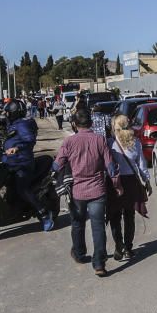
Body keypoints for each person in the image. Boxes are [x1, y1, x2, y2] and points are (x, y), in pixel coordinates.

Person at [53, 108, 117, 276]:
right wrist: (117, 184)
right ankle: (99, 264)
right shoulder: (100, 140)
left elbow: (57, 165)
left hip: (77, 192)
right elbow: (110, 166)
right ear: (91, 123)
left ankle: (80, 253)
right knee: (98, 227)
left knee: (77, 223)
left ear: (74, 124)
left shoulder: (69, 142)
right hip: (97, 190)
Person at [2, 100, 54, 231]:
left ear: (14, 113)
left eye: (8, 112)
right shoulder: (13, 124)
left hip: (22, 163)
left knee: (22, 188)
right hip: (9, 162)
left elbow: (30, 139)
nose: (6, 115)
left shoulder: (22, 125)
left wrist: (17, 148)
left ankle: (44, 213)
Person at [107, 115, 151, 261]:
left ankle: (118, 246)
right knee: (129, 215)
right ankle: (128, 247)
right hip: (131, 182)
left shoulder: (110, 143)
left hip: (115, 183)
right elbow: (142, 165)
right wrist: (147, 181)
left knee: (115, 216)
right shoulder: (135, 142)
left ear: (115, 127)